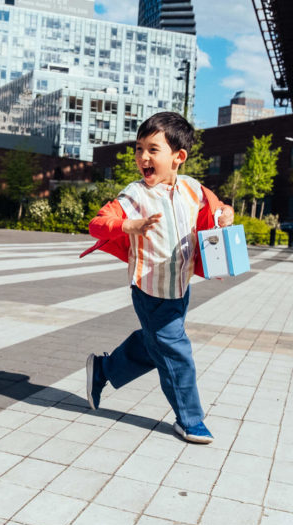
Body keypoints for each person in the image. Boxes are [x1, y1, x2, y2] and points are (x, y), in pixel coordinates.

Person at [81, 111, 233, 444]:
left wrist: (225, 213)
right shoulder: (134, 195)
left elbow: (216, 210)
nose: (143, 157)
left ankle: (103, 370)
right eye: (139, 149)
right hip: (149, 289)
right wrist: (126, 225)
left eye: (152, 149)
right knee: (176, 352)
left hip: (179, 288)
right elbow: (97, 223)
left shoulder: (193, 189)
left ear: (178, 157)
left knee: (156, 344)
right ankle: (190, 419)